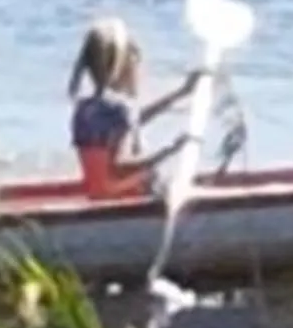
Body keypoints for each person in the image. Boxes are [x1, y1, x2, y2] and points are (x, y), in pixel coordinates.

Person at [66, 18, 198, 198]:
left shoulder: (86, 109)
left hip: (96, 194)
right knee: (157, 178)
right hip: (118, 194)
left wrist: (181, 93)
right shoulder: (115, 111)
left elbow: (134, 121)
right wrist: (169, 151)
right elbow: (120, 168)